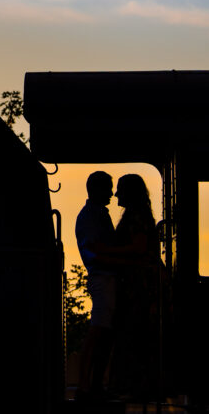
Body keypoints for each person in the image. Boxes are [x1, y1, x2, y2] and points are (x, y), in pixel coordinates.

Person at [108, 173, 162, 401]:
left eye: (120, 189)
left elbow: (138, 248)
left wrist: (105, 251)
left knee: (135, 332)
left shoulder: (136, 217)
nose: (116, 194)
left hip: (142, 285)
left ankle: (136, 387)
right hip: (141, 283)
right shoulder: (138, 215)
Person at [74, 170, 118, 400]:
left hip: (103, 277)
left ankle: (92, 384)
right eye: (108, 188)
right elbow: (95, 251)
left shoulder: (94, 214)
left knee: (102, 332)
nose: (112, 193)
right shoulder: (93, 215)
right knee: (98, 331)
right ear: (98, 189)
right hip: (102, 277)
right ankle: (86, 384)